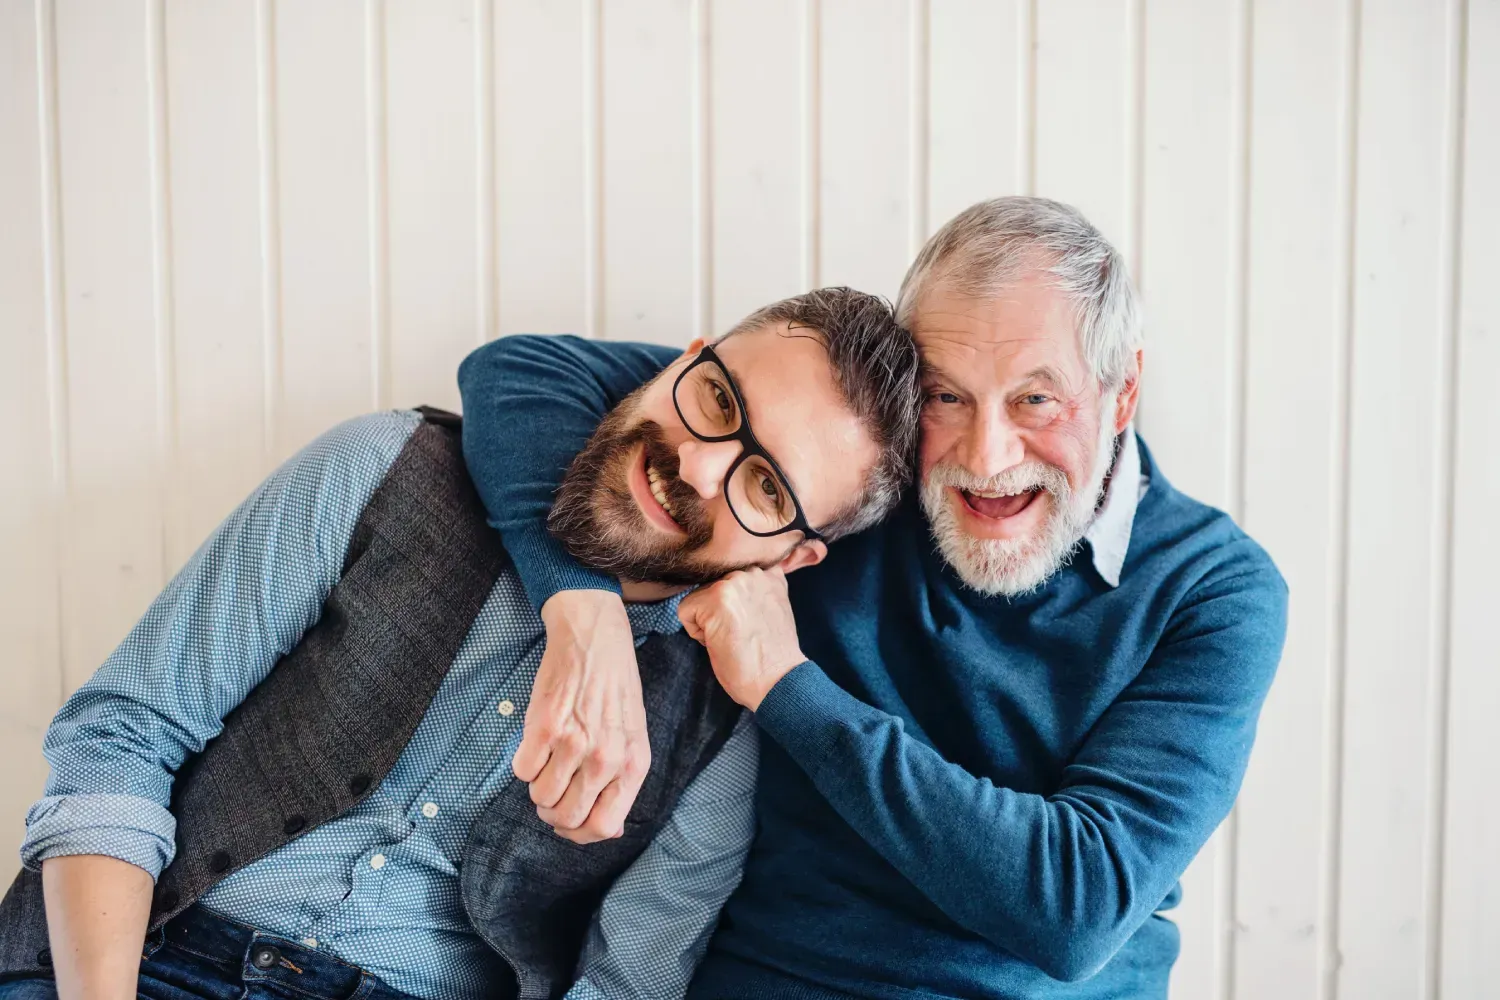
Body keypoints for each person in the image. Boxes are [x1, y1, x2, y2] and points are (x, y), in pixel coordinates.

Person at [456, 197, 1290, 998]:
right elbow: (522, 374)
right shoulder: (854, 474)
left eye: (1035, 400)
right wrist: (585, 614)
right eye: (946, 397)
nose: (987, 458)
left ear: (1123, 392)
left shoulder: (1214, 590)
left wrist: (786, 686)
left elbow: (1077, 908)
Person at [0, 287, 920, 1000]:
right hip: (136, 957)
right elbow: (121, 740)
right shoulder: (382, 467)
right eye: (717, 398)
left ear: (792, 557)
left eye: (765, 487)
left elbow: (626, 982)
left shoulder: (727, 725)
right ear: (683, 361)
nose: (697, 462)